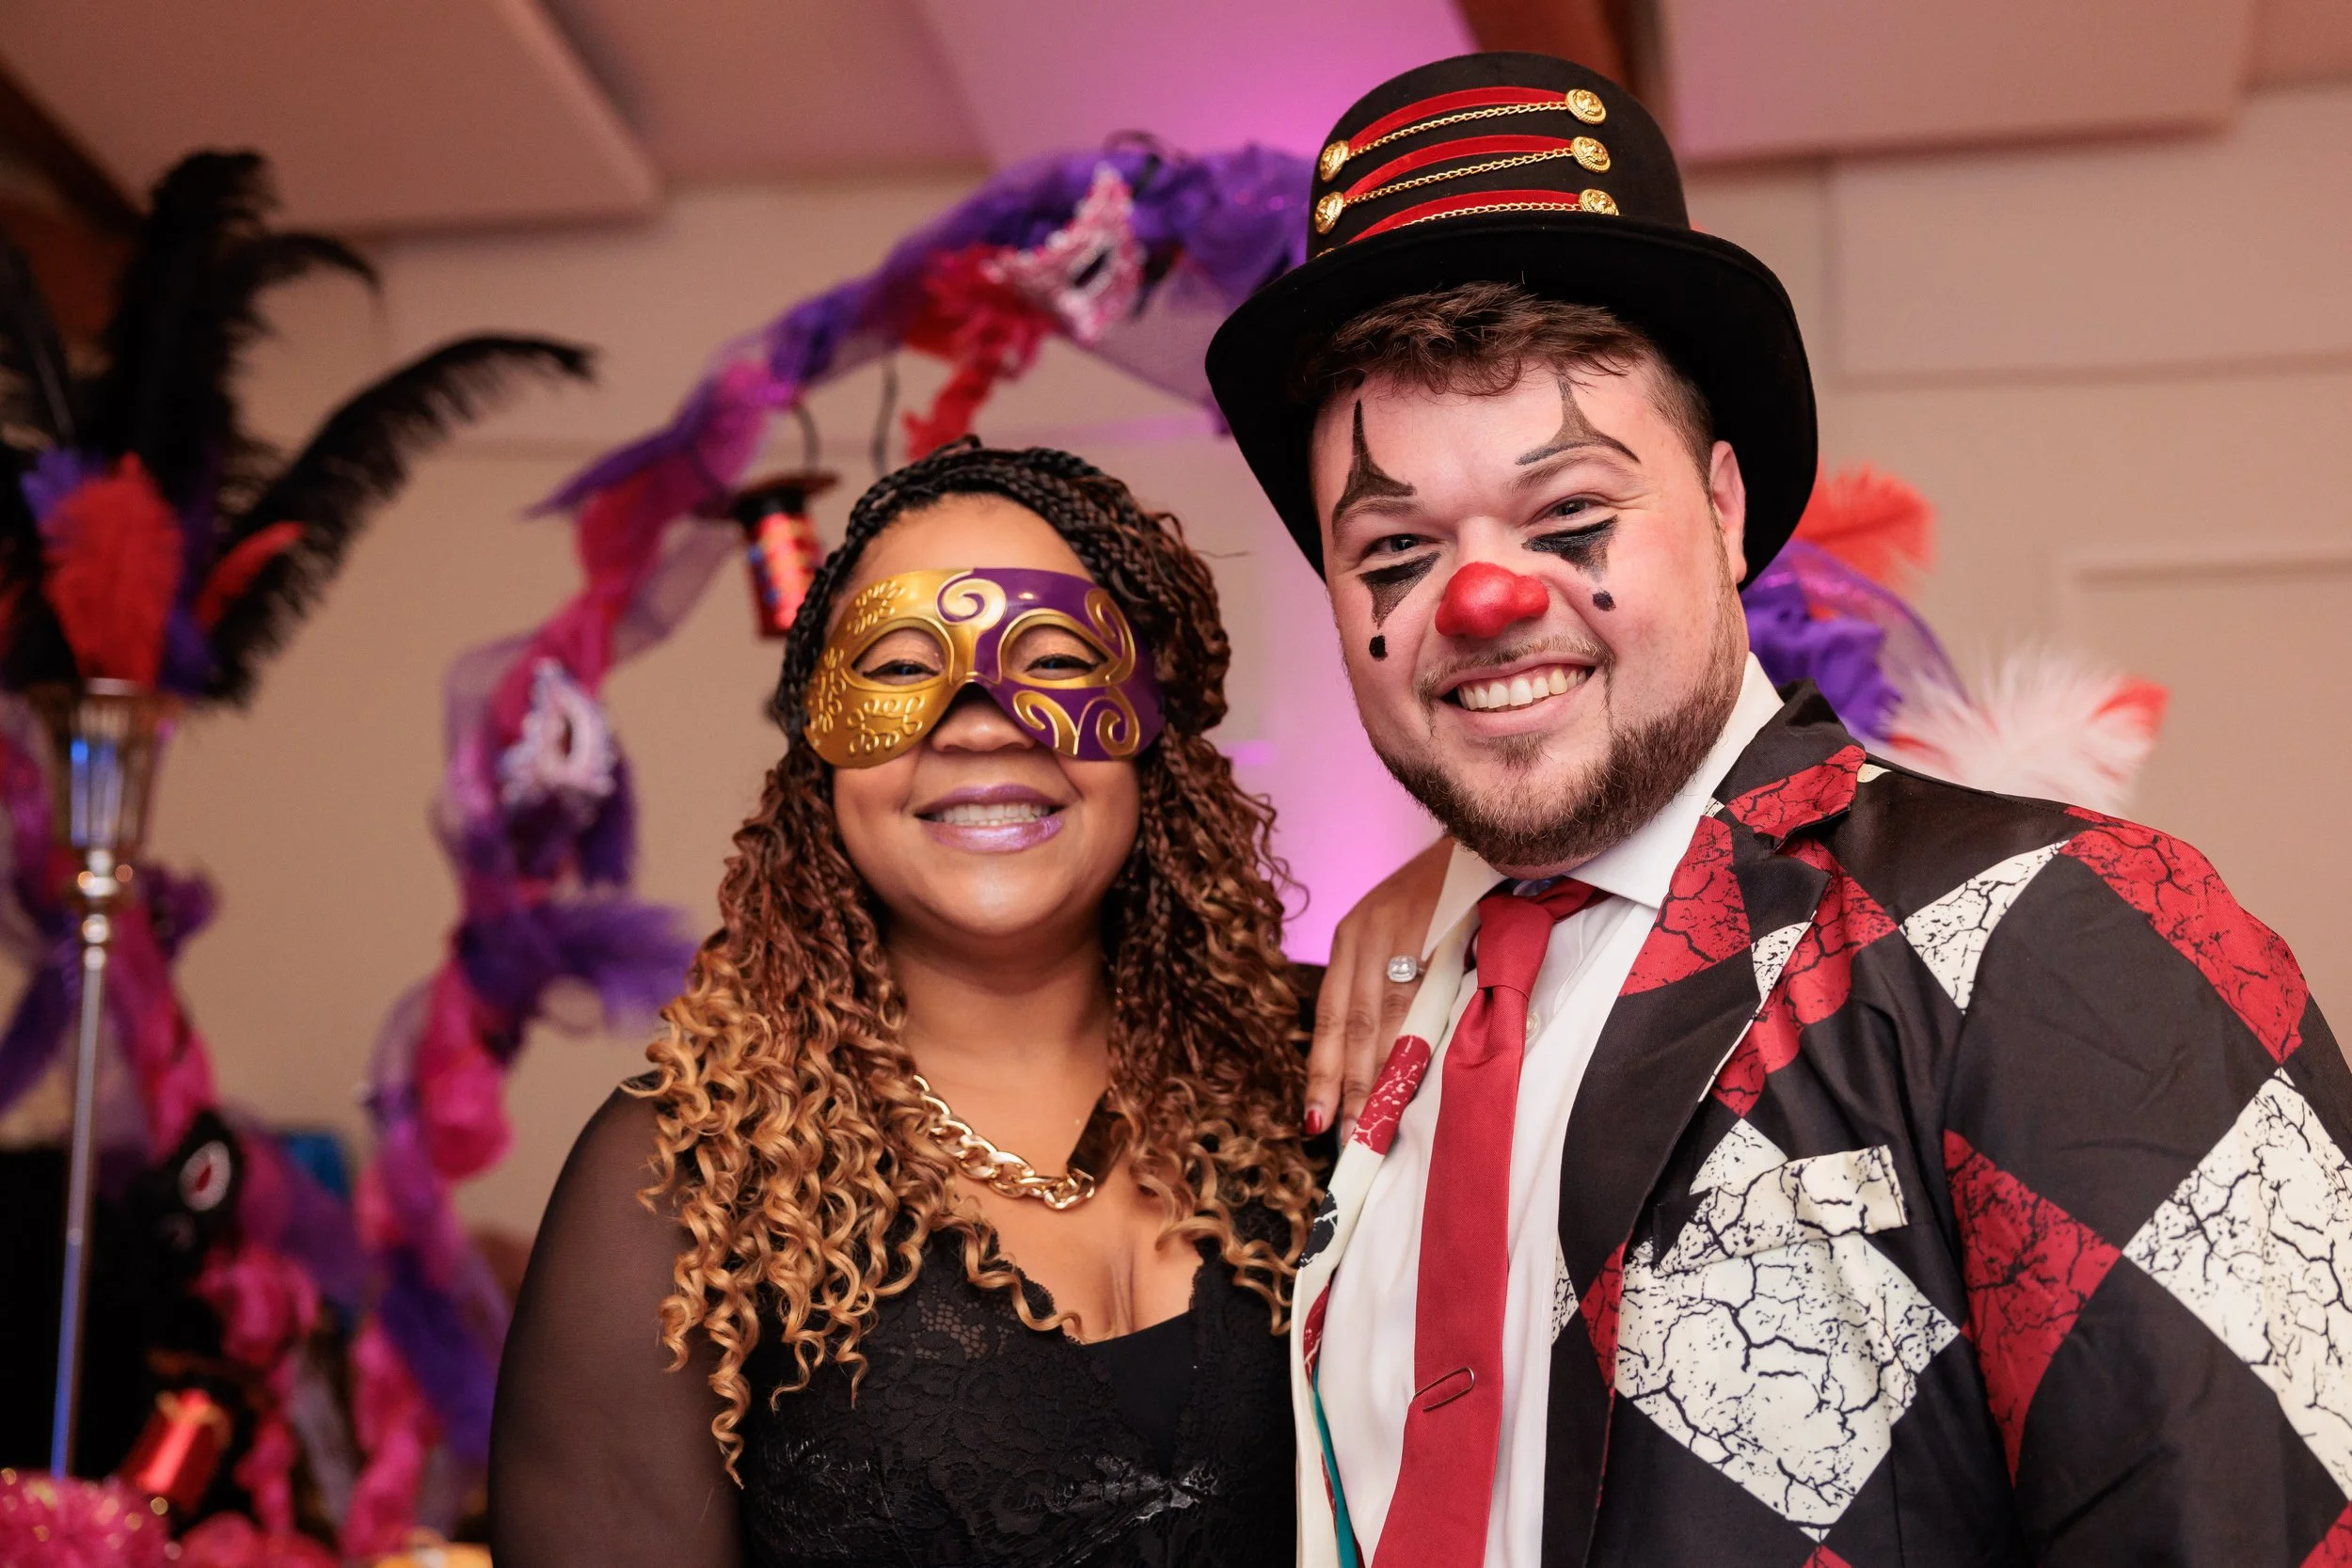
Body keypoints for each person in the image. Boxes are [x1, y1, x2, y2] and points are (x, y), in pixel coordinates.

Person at [1208, 50, 2352, 1568]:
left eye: (1571, 518)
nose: (1484, 601)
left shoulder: (2048, 933)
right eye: (1399, 549)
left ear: (1730, 505)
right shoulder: (1361, 1040)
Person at [487, 441, 1317, 1567]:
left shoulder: (1325, 1072)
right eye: (895, 668)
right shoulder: (678, 1184)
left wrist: (1438, 901)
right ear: (817, 755)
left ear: (1149, 730)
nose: (978, 718)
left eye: (1057, 657)